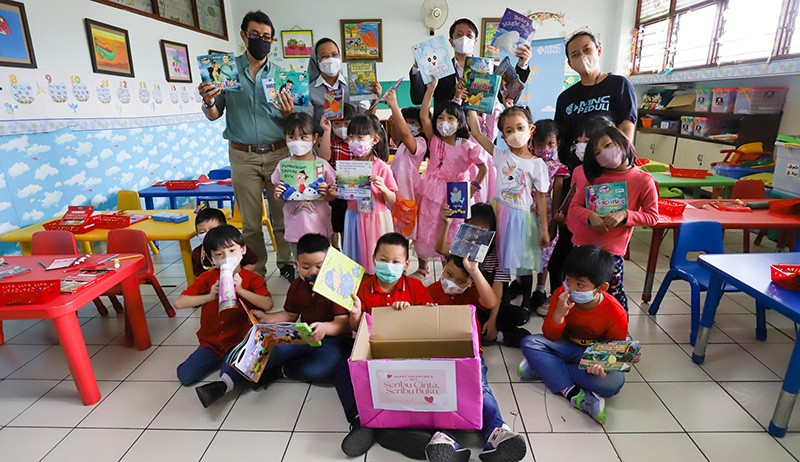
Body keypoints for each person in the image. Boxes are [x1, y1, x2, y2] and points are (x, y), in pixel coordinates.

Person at [197, 10, 294, 281]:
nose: (261, 40)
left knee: (282, 217)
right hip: (242, 156)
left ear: (272, 41)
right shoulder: (224, 72)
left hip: (279, 153)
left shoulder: (282, 76)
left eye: (266, 37)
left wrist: (289, 113)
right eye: (255, 35)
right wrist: (207, 100)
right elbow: (215, 114)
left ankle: (286, 262)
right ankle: (256, 267)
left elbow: (293, 121)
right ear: (243, 36)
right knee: (250, 222)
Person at [549, 29, 638, 294]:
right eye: (575, 54)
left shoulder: (619, 85)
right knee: (568, 244)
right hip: (577, 179)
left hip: (608, 180)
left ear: (598, 51)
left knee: (602, 246)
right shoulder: (566, 98)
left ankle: (599, 299)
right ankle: (562, 297)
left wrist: (615, 162)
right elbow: (561, 141)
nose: (582, 57)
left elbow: (626, 129)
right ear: (569, 63)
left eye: (587, 50)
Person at [336, 232, 434, 458]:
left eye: (395, 262)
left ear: (406, 264)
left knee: (423, 376)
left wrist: (409, 312)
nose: (388, 266)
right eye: (383, 260)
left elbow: (429, 324)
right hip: (373, 353)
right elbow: (355, 330)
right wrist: (355, 313)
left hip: (406, 355)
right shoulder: (362, 288)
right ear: (373, 258)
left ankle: (395, 428)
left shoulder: (416, 288)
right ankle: (361, 422)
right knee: (344, 368)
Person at [426, 255, 527, 462]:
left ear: (471, 282)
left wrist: (473, 271)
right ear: (443, 266)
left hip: (470, 354)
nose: (452, 283)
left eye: (461, 281)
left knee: (480, 388)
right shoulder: (429, 291)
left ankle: (497, 432)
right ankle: (445, 437)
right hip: (436, 355)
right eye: (449, 275)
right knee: (439, 391)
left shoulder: (472, 292)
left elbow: (490, 301)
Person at [518, 245, 628, 424]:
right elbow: (550, 336)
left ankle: (544, 367)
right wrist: (559, 315)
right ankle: (572, 392)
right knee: (530, 342)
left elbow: (615, 351)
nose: (570, 288)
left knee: (613, 383)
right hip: (564, 347)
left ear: (601, 288)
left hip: (591, 356)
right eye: (568, 280)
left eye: (580, 285)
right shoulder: (561, 295)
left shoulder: (615, 312)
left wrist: (601, 365)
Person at [175, 225, 273, 408]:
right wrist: (209, 296)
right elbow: (179, 303)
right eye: (219, 254)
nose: (227, 257)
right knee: (185, 376)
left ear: (243, 250)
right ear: (212, 259)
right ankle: (223, 363)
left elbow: (267, 304)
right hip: (211, 343)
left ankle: (224, 381)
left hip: (239, 341)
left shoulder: (252, 279)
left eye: (232, 250)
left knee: (231, 370)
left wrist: (241, 290)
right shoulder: (208, 278)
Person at [467, 106, 550, 313]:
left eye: (520, 127)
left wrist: (544, 229)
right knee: (498, 262)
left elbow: (541, 197)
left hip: (521, 218)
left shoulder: (538, 164)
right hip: (497, 213)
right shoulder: (500, 155)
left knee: (523, 262)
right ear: (503, 136)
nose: (515, 134)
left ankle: (526, 302)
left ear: (531, 129)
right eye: (509, 130)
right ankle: (499, 302)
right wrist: (470, 105)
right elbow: (476, 132)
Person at [566, 125, 658, 311]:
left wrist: (626, 215)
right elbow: (574, 207)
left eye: (608, 145)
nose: (604, 154)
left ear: (623, 142)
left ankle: (617, 334)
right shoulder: (592, 176)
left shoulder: (642, 180)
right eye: (598, 152)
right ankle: (575, 329)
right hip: (582, 247)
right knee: (577, 292)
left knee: (611, 295)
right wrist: (590, 216)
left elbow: (652, 217)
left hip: (611, 253)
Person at [254, 233, 353, 387]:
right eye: (306, 267)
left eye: (320, 266)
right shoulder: (297, 285)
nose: (313, 272)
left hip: (335, 341)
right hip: (306, 336)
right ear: (297, 265)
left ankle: (283, 370)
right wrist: (266, 318)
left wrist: (325, 328)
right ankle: (256, 371)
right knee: (274, 350)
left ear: (329, 264)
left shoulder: (337, 285)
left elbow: (343, 322)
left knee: (324, 369)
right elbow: (290, 314)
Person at [413, 77, 487, 279]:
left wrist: (473, 187)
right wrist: (431, 89)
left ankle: (451, 269)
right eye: (441, 118)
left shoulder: (468, 145)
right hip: (432, 189)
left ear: (460, 121)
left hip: (457, 192)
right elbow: (423, 116)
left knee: (453, 228)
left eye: (451, 119)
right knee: (430, 224)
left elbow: (483, 168)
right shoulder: (434, 140)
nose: (444, 123)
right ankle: (423, 267)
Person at [436, 202, 530, 347]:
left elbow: (496, 294)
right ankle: (499, 336)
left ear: (492, 232)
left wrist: (492, 321)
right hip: (470, 303)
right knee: (470, 324)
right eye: (472, 227)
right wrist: (446, 224)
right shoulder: (462, 247)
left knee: (520, 316)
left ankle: (494, 332)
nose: (477, 233)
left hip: (492, 303)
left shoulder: (497, 255)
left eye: (483, 229)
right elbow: (441, 248)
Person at [409, 18, 531, 106]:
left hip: (482, 136)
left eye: (469, 35)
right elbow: (417, 98)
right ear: (451, 42)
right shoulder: (440, 70)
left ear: (475, 41)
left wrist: (522, 65)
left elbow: (510, 100)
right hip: (446, 135)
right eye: (459, 35)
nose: (464, 39)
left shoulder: (491, 69)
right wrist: (417, 67)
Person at [336, 114, 398, 274]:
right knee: (355, 258)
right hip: (354, 216)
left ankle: (376, 283)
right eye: (351, 137)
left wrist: (383, 188)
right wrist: (336, 191)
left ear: (374, 139)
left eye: (360, 137)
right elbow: (343, 194)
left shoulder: (382, 167)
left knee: (376, 256)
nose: (354, 141)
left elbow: (392, 199)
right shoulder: (348, 167)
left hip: (375, 218)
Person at [271, 112, 336, 260]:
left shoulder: (322, 165)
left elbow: (332, 196)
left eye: (303, 137)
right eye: (291, 137)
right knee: (300, 265)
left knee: (322, 264)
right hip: (295, 229)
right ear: (285, 138)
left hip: (319, 228)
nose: (297, 142)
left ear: (314, 139)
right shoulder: (283, 166)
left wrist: (328, 193)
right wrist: (277, 193)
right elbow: (279, 197)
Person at [529, 119, 570, 315]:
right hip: (526, 214)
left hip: (545, 216)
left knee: (545, 254)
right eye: (540, 144)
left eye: (550, 144)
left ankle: (540, 288)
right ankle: (522, 285)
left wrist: (553, 223)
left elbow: (557, 199)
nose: (545, 148)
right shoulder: (528, 162)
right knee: (528, 251)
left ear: (557, 144)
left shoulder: (558, 168)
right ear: (532, 143)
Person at [305, 38, 379, 133]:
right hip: (323, 144)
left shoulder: (355, 84)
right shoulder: (309, 91)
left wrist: (375, 100)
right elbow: (306, 124)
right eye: (324, 56)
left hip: (354, 142)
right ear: (316, 61)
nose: (331, 59)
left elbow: (366, 119)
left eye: (335, 55)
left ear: (339, 57)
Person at [191, 207, 258, 277]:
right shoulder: (197, 254)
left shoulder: (235, 246)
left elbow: (253, 264)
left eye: (213, 230)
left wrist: (237, 273)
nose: (208, 234)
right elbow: (199, 278)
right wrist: (211, 273)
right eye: (202, 232)